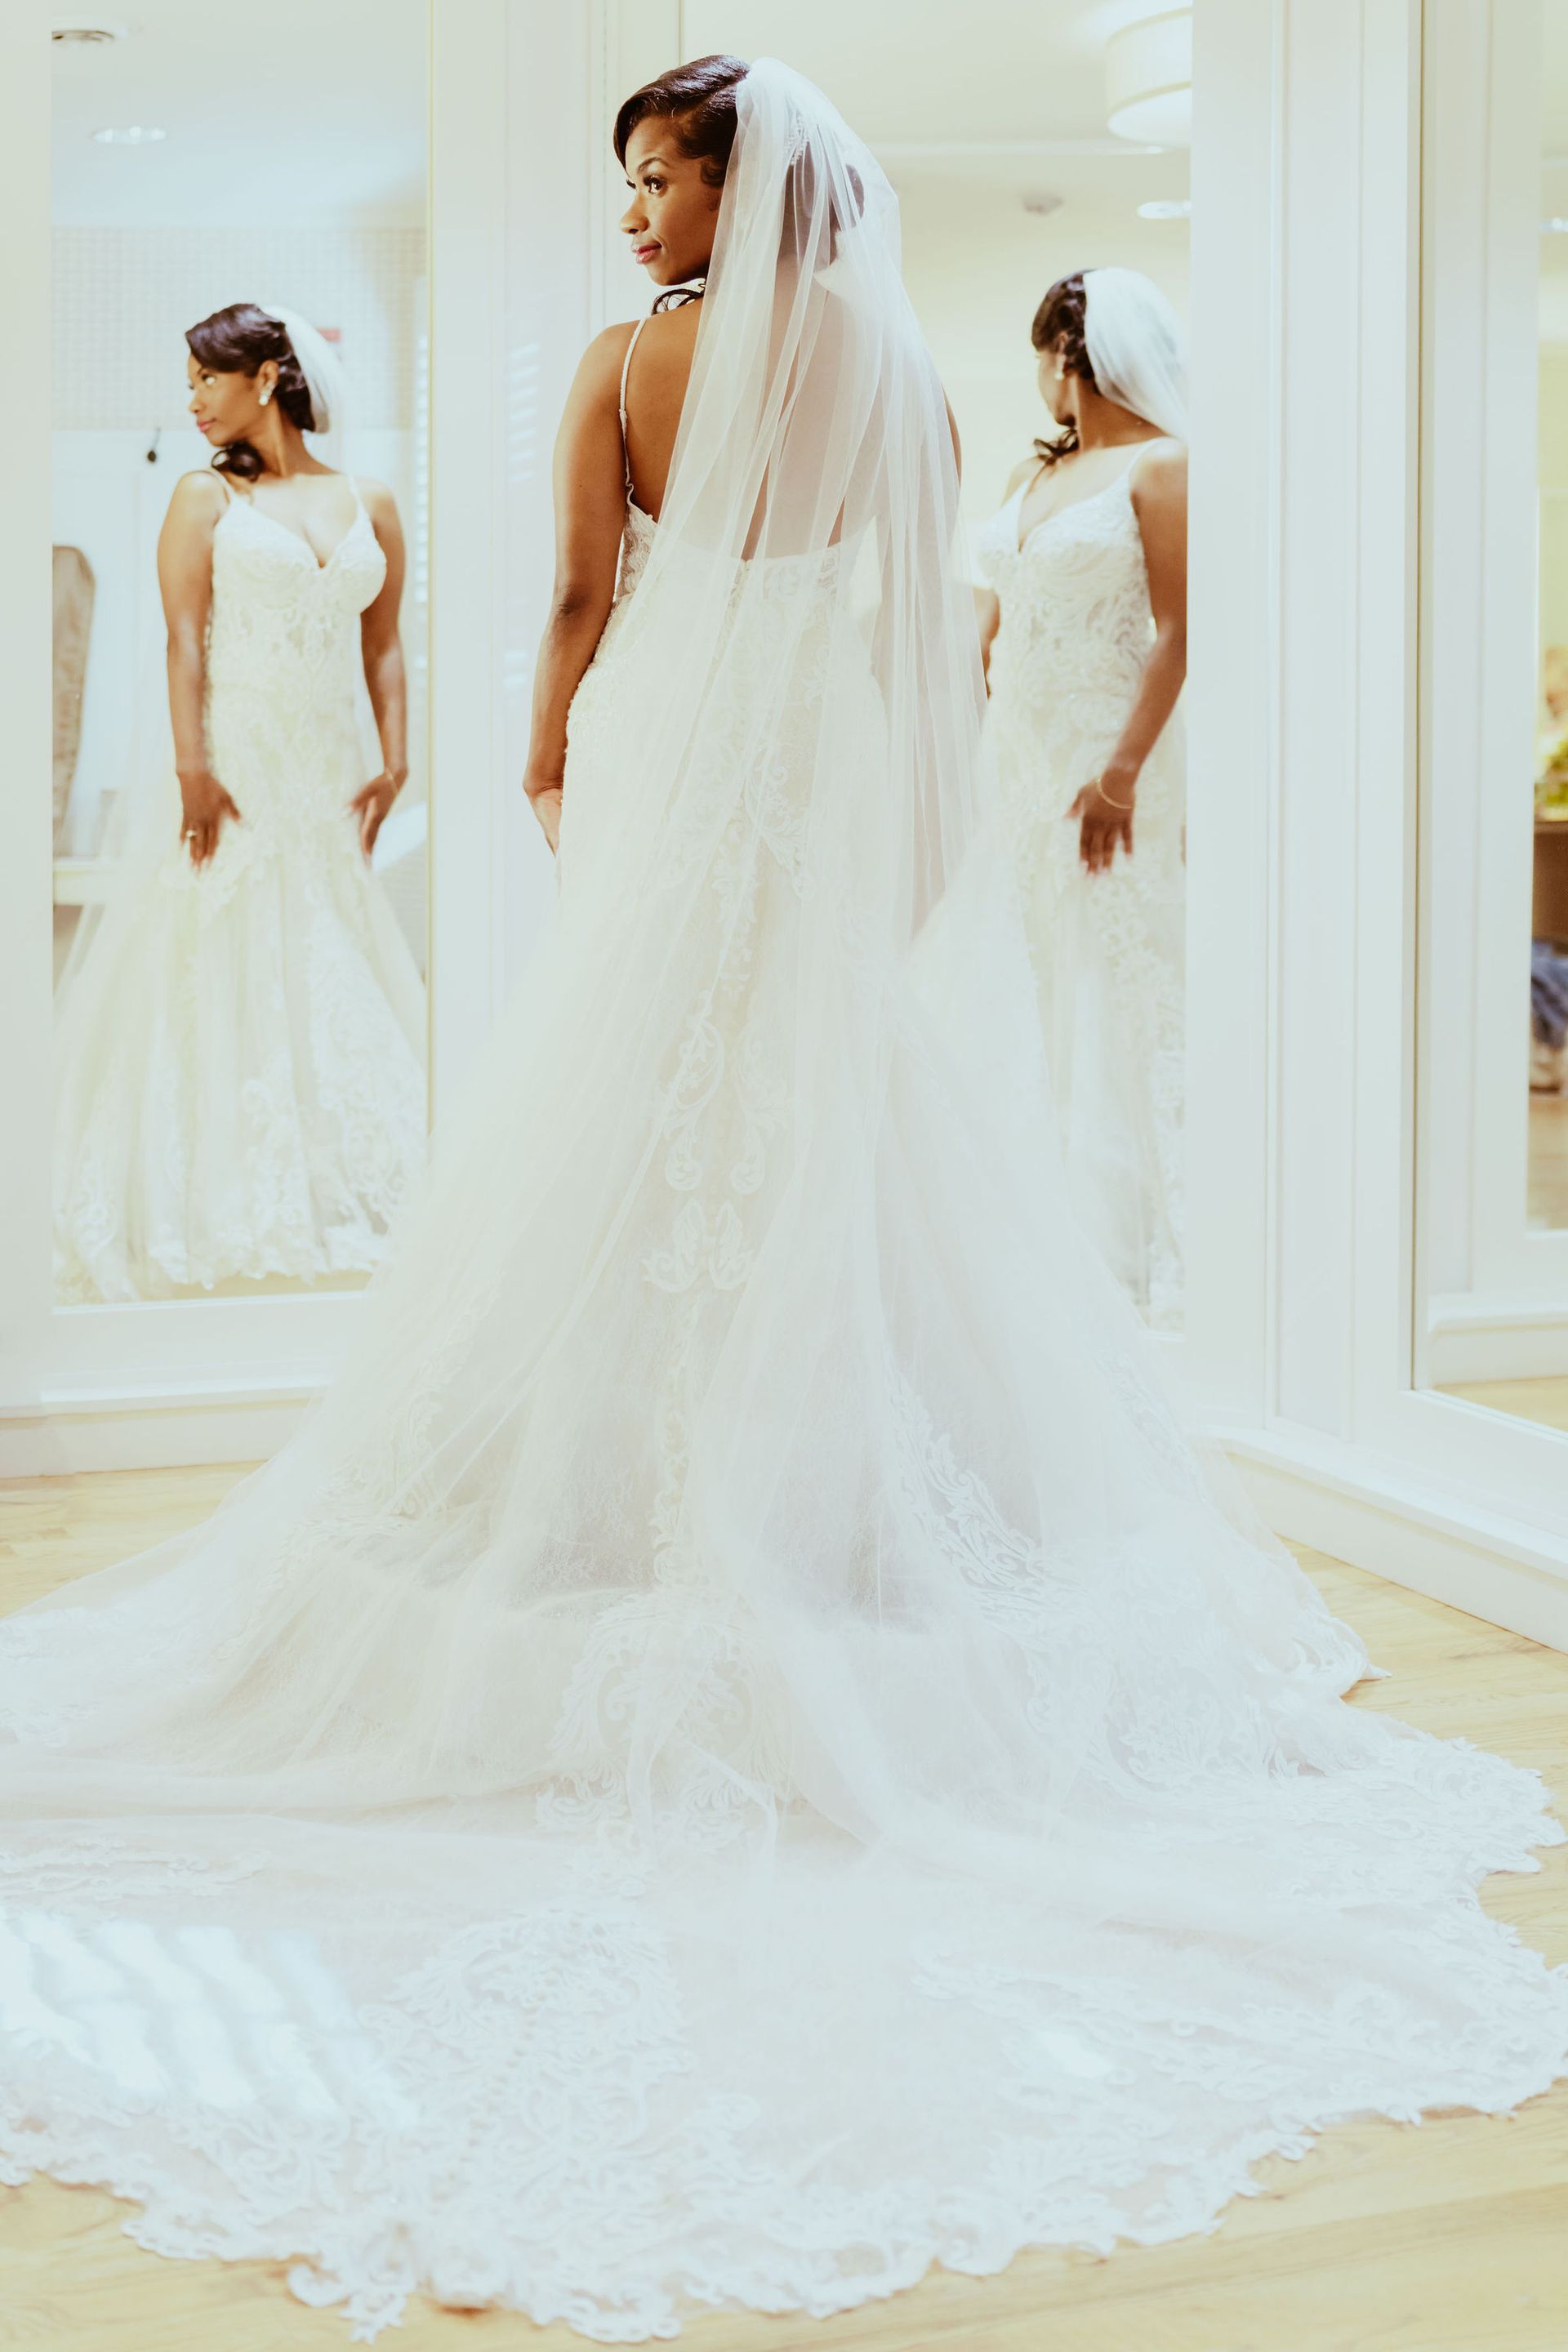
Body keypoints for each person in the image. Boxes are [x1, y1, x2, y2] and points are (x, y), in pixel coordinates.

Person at [0, 60, 1563, 2344]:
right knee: (824, 1130)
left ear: (747, 187)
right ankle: (812, 1489)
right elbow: (928, 641)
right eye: (626, 179)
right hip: (830, 778)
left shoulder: (632, 366)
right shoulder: (913, 378)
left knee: (636, 1129)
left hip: (679, 757)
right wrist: (913, 836)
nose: (635, 212)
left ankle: (619, 1499)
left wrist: (551, 761)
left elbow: (567, 597)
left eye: (660, 175)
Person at [52, 303, 426, 1301]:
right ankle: (208, 1185)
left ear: (266, 376)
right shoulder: (201, 498)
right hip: (236, 760)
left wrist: (398, 759)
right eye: (187, 384)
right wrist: (191, 770)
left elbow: (384, 643)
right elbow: (181, 643)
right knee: (215, 951)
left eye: (204, 380)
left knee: (328, 946)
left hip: (326, 769)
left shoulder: (371, 499)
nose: (191, 402)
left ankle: (339, 1179)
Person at [975, 269, 1187, 1326]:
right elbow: (995, 610)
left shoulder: (1162, 468)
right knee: (1027, 976)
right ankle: (1031, 1232)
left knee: (1105, 975)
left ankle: (1119, 1256)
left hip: (1102, 763)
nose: (1042, 379)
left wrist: (1119, 775)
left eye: (1044, 355)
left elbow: (1185, 634)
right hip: (1013, 755)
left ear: (1073, 354)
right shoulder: (1037, 473)